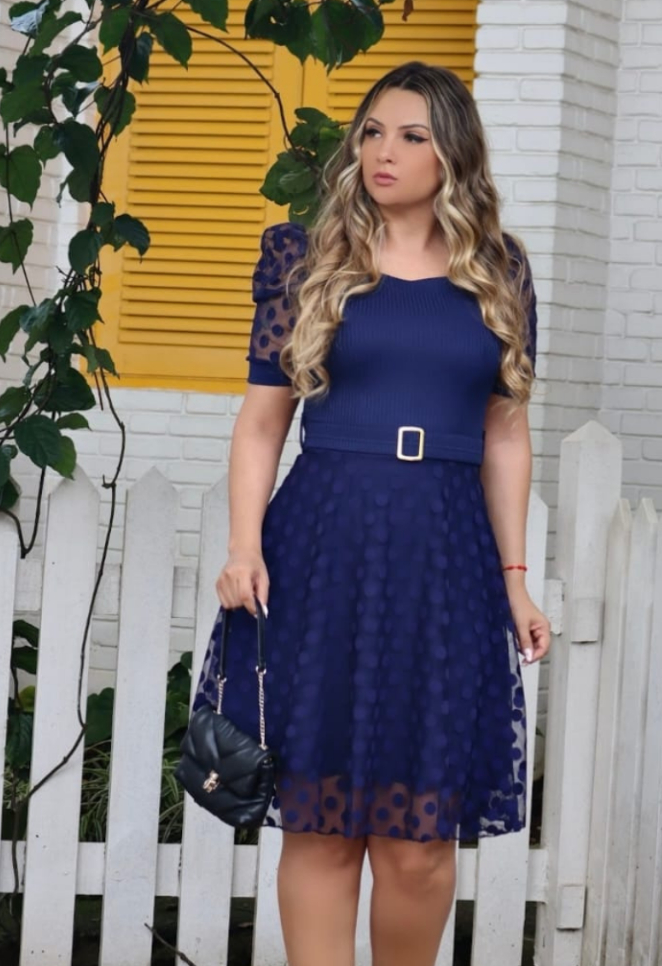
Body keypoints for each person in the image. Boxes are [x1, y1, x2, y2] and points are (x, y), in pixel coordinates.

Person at [193, 61, 552, 966]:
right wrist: (243, 546)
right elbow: (262, 421)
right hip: (325, 543)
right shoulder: (305, 258)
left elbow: (506, 434)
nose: (384, 152)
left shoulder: (500, 270)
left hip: (445, 555)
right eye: (374, 133)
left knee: (418, 839)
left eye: (412, 137)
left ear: (453, 156)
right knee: (320, 821)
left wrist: (516, 580)